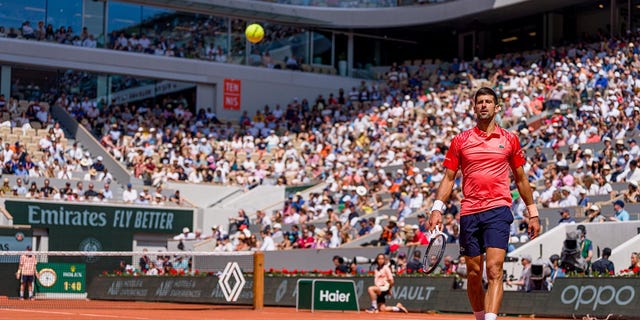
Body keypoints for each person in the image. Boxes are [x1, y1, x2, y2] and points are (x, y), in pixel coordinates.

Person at [429, 87, 540, 320]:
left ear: (496, 107)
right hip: (470, 212)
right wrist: (437, 208)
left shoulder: (510, 139)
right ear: (474, 107)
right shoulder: (460, 140)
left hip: (498, 210)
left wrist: (533, 212)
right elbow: (449, 178)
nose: (484, 105)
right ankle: (480, 317)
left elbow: (521, 178)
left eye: (489, 101)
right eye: (480, 101)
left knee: (494, 269)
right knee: (473, 272)